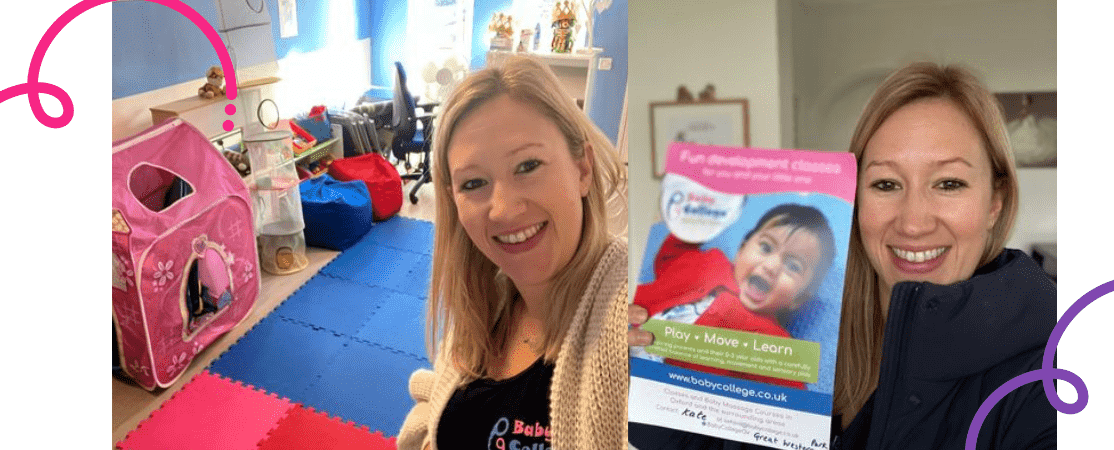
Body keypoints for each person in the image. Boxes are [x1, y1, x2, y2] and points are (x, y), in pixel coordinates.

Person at [629, 61, 1056, 450]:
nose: (913, 222)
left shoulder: (1050, 377)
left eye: (949, 184)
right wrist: (641, 378)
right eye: (886, 184)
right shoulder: (814, 343)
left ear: (995, 201)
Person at [396, 55, 629, 450]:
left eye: (528, 165)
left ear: (582, 169)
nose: (503, 209)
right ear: (453, 200)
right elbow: (453, 407)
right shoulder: (486, 301)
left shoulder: (638, 314)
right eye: (473, 183)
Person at [632, 203, 836, 389]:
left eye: (793, 266)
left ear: (798, 299)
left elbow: (793, 401)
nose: (771, 266)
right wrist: (701, 217)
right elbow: (669, 261)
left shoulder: (772, 341)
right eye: (765, 247)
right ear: (740, 250)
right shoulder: (710, 261)